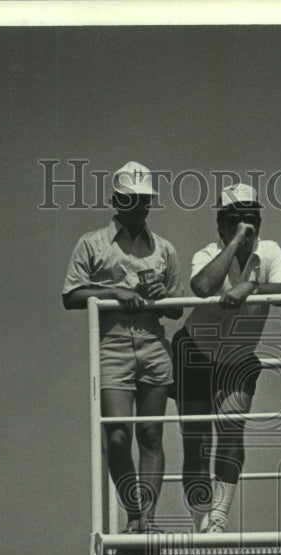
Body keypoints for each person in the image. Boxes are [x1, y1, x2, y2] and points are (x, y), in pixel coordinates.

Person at [62, 160, 182, 533]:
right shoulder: (92, 243)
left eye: (145, 200)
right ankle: (134, 513)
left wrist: (163, 296)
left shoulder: (164, 249)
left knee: (151, 433)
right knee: (117, 435)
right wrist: (113, 290)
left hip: (152, 343)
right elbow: (71, 295)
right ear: (116, 200)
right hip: (113, 346)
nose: (140, 206)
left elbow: (177, 307)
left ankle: (146, 521)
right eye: (132, 199)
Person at [171, 183, 281, 533]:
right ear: (222, 224)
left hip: (238, 358)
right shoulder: (208, 253)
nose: (249, 226)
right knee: (196, 439)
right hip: (195, 351)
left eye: (254, 218)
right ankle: (201, 522)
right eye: (239, 219)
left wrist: (252, 286)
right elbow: (202, 287)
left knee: (231, 430)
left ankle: (219, 519)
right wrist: (234, 244)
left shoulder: (270, 251)